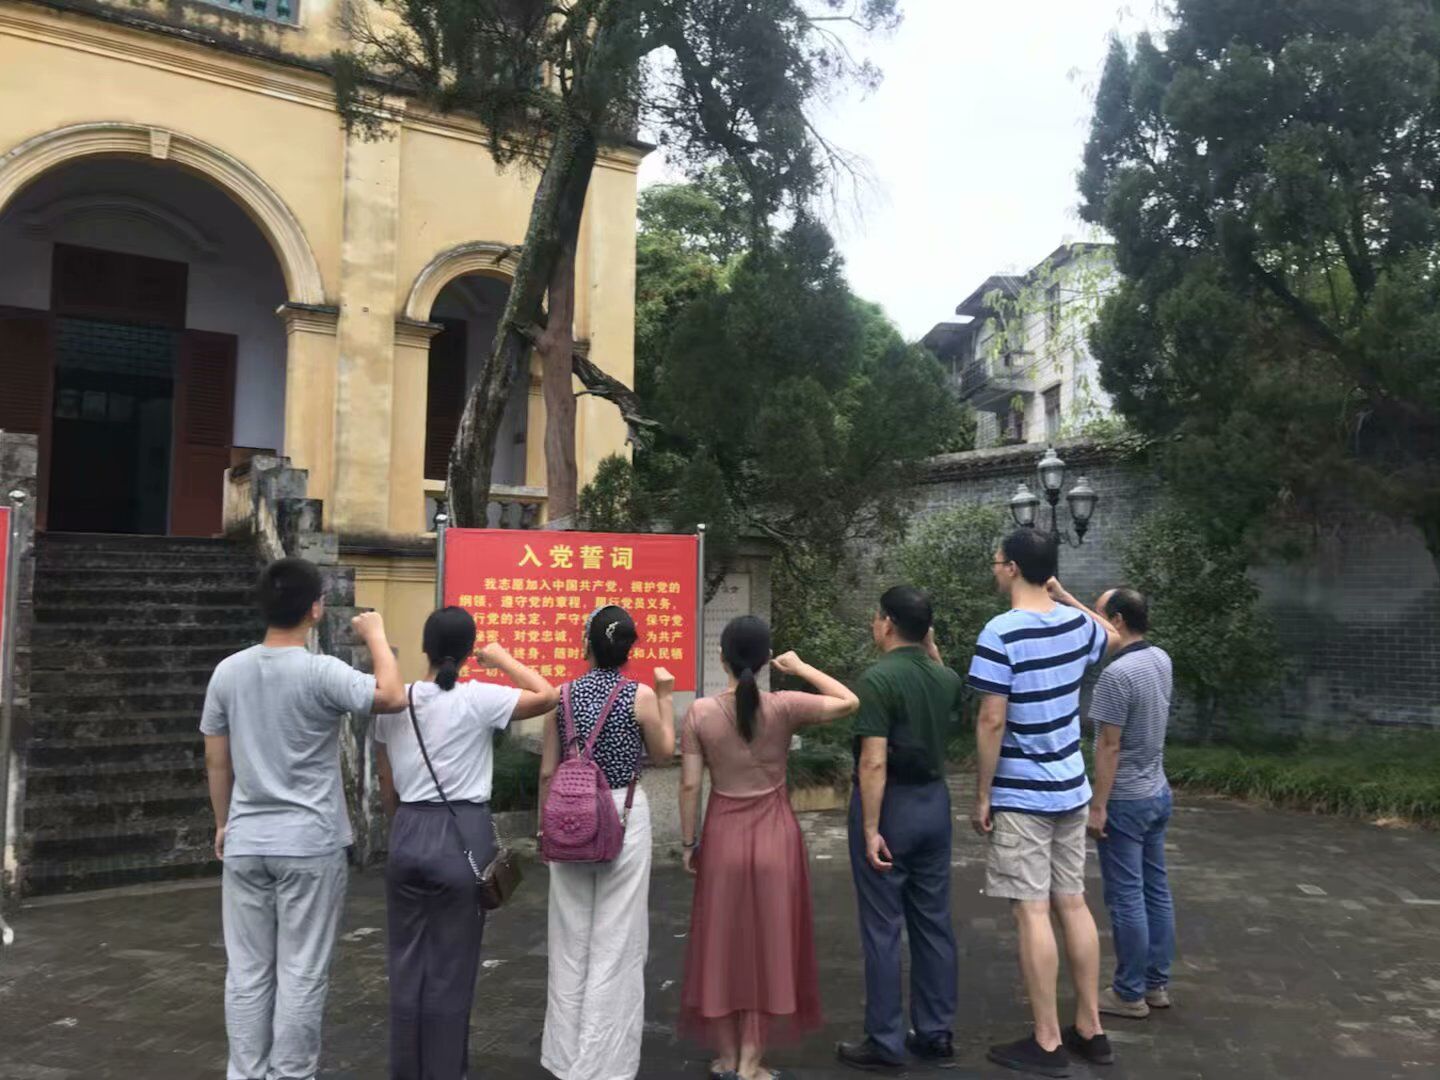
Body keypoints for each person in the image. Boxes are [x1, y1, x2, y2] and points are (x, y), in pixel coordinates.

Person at [202, 557, 407, 1080]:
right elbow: (391, 696)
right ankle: (291, 1074)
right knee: (301, 971)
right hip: (310, 842)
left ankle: (245, 1073)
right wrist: (377, 637)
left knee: (246, 972)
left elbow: (216, 760)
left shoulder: (228, 672)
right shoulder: (321, 671)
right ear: (316, 609)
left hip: (247, 840)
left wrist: (223, 823)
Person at [372, 606, 560, 1080]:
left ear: (425, 648)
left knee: (406, 963)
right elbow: (547, 695)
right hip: (463, 835)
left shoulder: (396, 701)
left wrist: (403, 827)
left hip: (408, 830)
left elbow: (386, 783)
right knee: (451, 969)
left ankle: (406, 1070)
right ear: (468, 650)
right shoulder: (479, 698)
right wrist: (501, 658)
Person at [967, 529, 1121, 1078]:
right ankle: (1091, 1029)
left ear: (1011, 567)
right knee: (1073, 903)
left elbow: (992, 719)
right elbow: (1113, 635)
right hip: (1071, 787)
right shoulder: (1078, 625)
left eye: (997, 562)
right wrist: (1068, 595)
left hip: (1023, 792)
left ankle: (1048, 1039)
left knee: (1032, 910)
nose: (995, 569)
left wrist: (983, 793)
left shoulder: (1001, 631)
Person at [679, 616, 860, 1080]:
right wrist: (799, 667)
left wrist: (688, 842)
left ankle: (725, 1058)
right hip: (777, 839)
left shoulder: (699, 712)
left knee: (721, 947)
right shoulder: (784, 706)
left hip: (722, 838)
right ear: (765, 661)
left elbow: (690, 785)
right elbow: (849, 701)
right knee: (769, 948)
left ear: (721, 656)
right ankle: (751, 1064)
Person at [539, 605, 676, 1080]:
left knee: (569, 939)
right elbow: (664, 753)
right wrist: (665, 697)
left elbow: (547, 771)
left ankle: (564, 1057)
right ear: (627, 649)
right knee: (617, 940)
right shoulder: (639, 695)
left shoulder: (561, 696)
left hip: (568, 816)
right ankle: (603, 1064)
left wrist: (546, 829)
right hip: (623, 813)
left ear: (588, 645)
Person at [837, 586, 965, 1073]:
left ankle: (885, 1040)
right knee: (933, 922)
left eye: (877, 617)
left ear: (887, 623)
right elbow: (942, 680)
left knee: (882, 927)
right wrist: (929, 644)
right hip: (934, 805)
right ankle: (936, 1033)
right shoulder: (945, 677)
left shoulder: (877, 680)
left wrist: (871, 828)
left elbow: (873, 761)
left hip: (891, 807)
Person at [1081, 587, 1177, 1019]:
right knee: (1156, 890)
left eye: (1100, 616)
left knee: (1126, 898)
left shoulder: (1115, 676)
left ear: (1117, 621)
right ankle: (1155, 984)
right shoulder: (1160, 659)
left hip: (1125, 800)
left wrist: (1098, 806)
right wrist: (1064, 596)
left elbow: (1109, 746)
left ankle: (1128, 992)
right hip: (1157, 792)